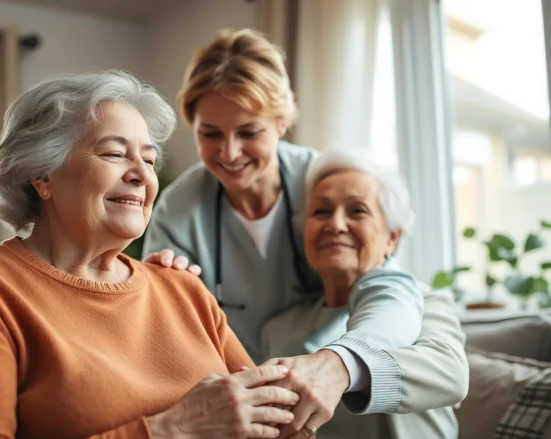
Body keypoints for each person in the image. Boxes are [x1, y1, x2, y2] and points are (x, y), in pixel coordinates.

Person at [0, 70, 304, 439]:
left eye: (148, 160)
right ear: (43, 176)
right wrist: (174, 428)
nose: (141, 174)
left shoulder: (184, 289)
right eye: (115, 154)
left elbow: (274, 422)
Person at [142, 28, 468, 436]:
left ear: (281, 124)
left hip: (339, 361)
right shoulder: (179, 209)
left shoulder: (327, 183)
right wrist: (165, 288)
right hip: (252, 391)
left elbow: (384, 283)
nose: (229, 153)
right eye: (210, 134)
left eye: (249, 132)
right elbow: (166, 331)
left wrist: (340, 363)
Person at [261, 149, 458, 438]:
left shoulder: (425, 302)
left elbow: (450, 377)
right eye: (322, 211)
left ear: (392, 237)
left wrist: (341, 367)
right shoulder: (277, 329)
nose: (336, 225)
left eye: (357, 211)